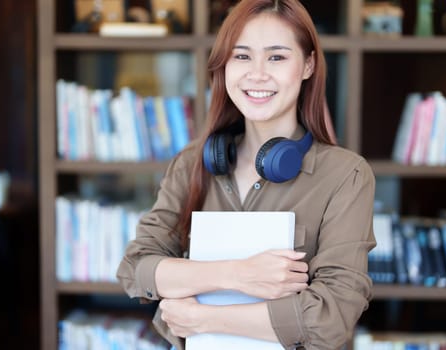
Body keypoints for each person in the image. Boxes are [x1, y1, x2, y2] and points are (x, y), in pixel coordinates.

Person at [117, 0, 376, 349]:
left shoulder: (346, 175)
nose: (257, 74)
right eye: (241, 56)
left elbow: (331, 316)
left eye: (277, 57)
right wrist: (239, 274)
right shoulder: (190, 163)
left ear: (308, 64)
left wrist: (203, 317)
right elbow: (137, 269)